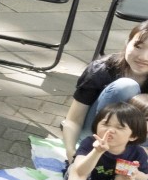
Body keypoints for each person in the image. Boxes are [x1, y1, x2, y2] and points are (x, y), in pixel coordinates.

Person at [61, 21, 148, 149]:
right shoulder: (102, 69)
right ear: (127, 43)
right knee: (126, 86)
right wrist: (71, 152)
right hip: (94, 138)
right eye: (138, 46)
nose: (144, 57)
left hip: (136, 146)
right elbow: (73, 120)